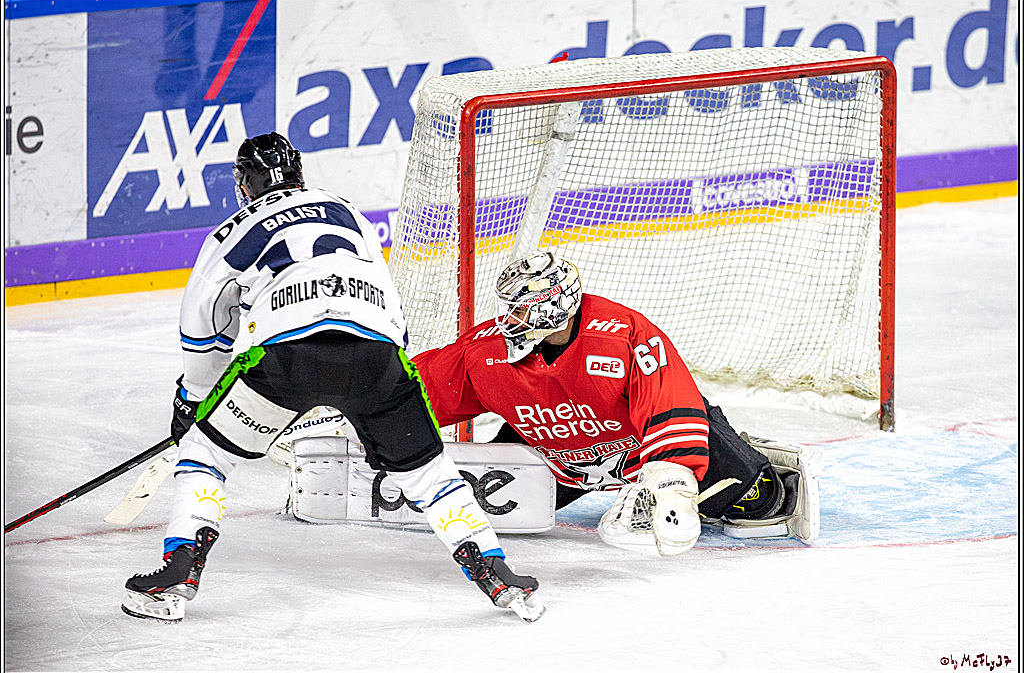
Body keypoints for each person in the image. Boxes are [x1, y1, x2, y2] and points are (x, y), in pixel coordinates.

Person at [121, 133, 543, 623]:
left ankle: (179, 570)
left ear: (243, 185)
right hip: (378, 354)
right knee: (430, 472)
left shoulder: (234, 228)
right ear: (299, 174)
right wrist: (383, 375)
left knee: (205, 453)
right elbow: (387, 296)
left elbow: (206, 321)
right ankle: (496, 571)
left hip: (286, 356)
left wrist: (195, 398)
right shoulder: (347, 211)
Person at [413, 251, 821, 556]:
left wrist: (674, 483)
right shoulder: (485, 350)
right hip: (555, 458)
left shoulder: (622, 334)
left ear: (551, 307)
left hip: (642, 453)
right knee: (496, 516)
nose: (509, 318)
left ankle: (747, 459)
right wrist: (379, 414)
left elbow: (669, 400)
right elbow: (423, 388)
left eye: (520, 308)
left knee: (760, 501)